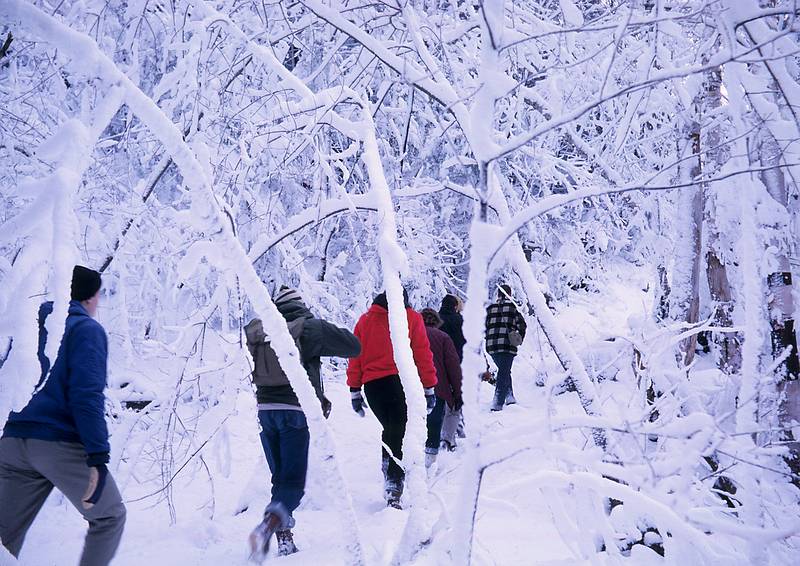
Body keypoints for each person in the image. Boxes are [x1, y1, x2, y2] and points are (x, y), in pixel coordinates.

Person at [0, 266, 126, 566]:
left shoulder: (27, 323)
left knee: (4, 538)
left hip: (12, 441)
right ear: (90, 298)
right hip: (57, 444)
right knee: (109, 516)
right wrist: (97, 455)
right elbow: (86, 395)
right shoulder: (86, 329)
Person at [246, 287, 361, 561]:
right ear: (300, 305)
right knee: (294, 481)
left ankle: (284, 538)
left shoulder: (260, 330)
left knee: (280, 477)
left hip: (265, 410)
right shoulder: (309, 329)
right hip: (295, 412)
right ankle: (268, 526)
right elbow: (354, 346)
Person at [346, 290, 437, 508]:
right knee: (398, 431)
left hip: (373, 387)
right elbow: (422, 353)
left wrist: (355, 390)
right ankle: (394, 484)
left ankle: (390, 473)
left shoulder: (364, 321)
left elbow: (355, 355)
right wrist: (429, 387)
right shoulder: (410, 317)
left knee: (391, 429)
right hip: (399, 381)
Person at [419, 309, 463, 468]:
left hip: (411, 386)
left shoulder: (408, 335)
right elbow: (453, 367)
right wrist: (458, 393)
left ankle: (411, 458)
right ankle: (430, 462)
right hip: (437, 387)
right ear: (437, 321)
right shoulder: (443, 337)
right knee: (434, 422)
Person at [485, 284, 527, 411]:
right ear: (510, 294)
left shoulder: (490, 308)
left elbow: (484, 326)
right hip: (507, 345)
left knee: (504, 370)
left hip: (492, 346)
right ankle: (497, 403)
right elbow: (522, 325)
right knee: (504, 372)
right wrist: (519, 338)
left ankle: (510, 397)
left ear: (498, 294)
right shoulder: (512, 308)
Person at [438, 294, 466, 449]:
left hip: (438, 366)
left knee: (440, 401)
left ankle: (447, 432)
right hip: (457, 364)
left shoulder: (435, 320)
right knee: (455, 402)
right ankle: (449, 438)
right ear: (455, 306)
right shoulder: (460, 321)